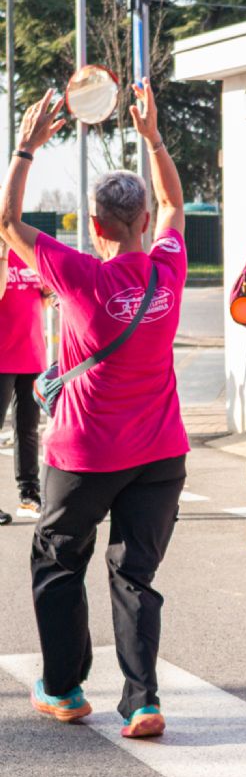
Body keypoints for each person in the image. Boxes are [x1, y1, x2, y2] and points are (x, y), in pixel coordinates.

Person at [0, 83, 187, 737]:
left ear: (97, 225)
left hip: (86, 455)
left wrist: (26, 149)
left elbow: (7, 222)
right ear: (143, 222)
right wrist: (153, 137)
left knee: (58, 560)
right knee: (135, 574)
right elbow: (175, 203)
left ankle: (64, 688)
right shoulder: (168, 269)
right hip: (161, 456)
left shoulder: (79, 274)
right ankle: (143, 700)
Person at [0, 243, 47, 520]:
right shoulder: (5, 254)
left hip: (31, 354)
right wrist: (3, 253)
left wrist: (48, 288)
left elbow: (43, 299)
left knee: (28, 429)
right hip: (2, 357)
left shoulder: (28, 253)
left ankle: (29, 495)